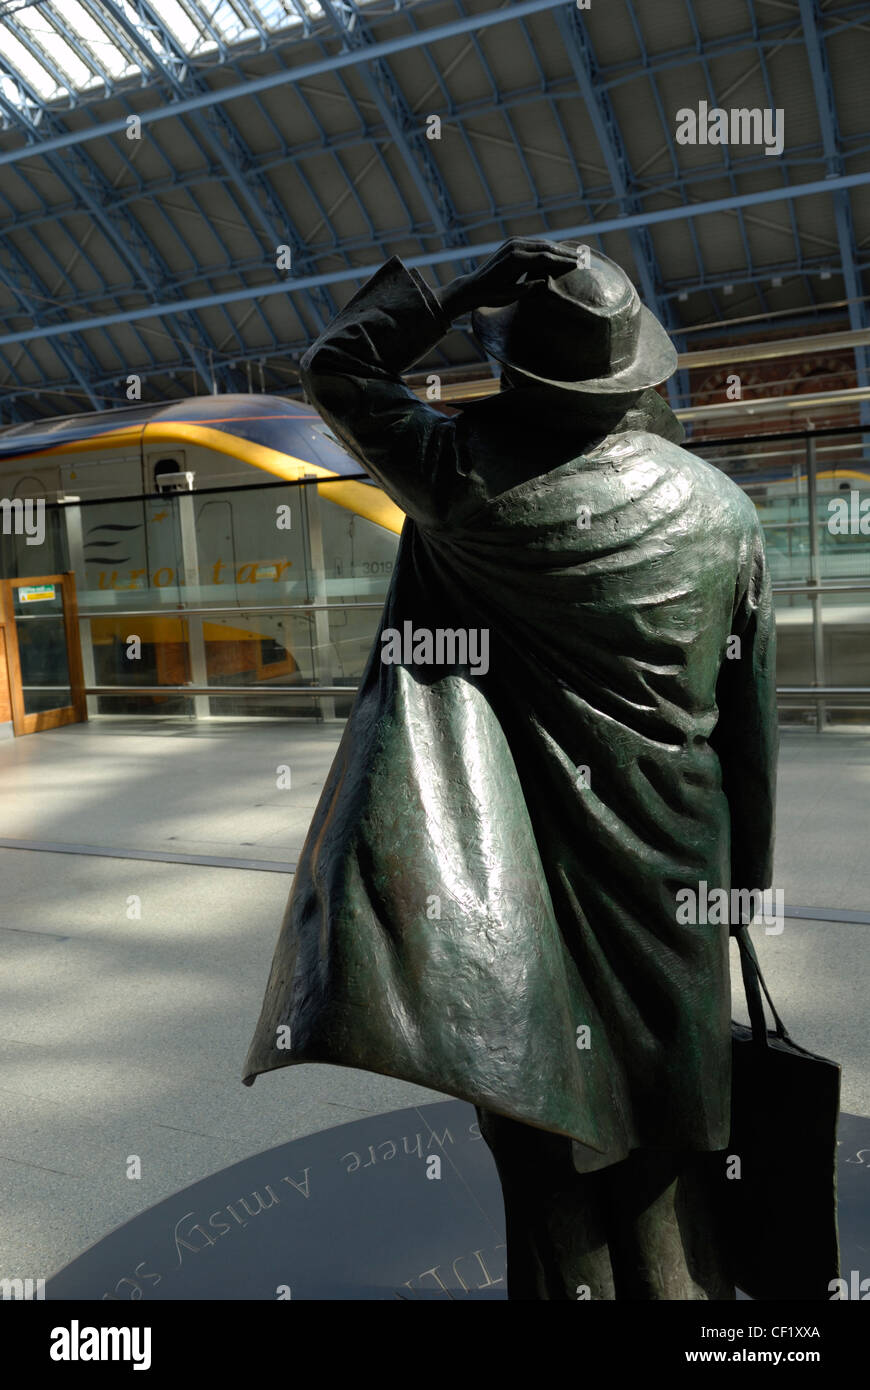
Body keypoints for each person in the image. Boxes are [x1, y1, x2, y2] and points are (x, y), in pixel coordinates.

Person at [243, 239, 778, 1299]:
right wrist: (740, 889)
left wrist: (457, 290)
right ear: (637, 375)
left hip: (506, 881)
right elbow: (747, 733)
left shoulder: (458, 474)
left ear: (524, 371)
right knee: (658, 1161)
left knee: (541, 1146)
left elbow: (339, 370)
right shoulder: (726, 512)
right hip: (673, 869)